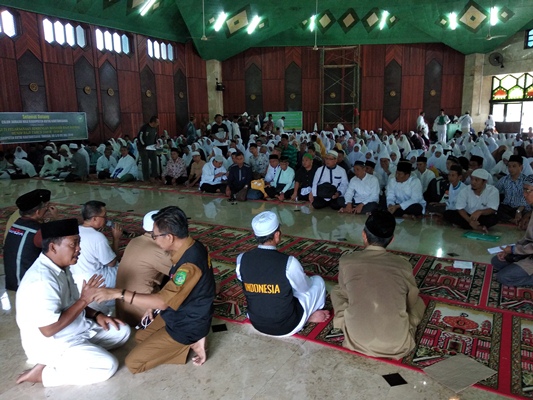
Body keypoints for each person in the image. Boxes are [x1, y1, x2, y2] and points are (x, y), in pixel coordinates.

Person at [93, 206, 215, 372]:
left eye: (155, 236)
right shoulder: (192, 246)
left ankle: (192, 342)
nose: (154, 239)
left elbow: (163, 302)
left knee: (133, 363)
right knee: (140, 337)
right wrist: (151, 304)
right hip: (178, 311)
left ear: (169, 237)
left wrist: (118, 293)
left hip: (188, 324)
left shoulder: (188, 266)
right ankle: (189, 342)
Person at [15, 219, 130, 387]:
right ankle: (44, 373)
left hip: (75, 330)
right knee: (107, 366)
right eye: (73, 244)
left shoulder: (62, 267)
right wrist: (85, 300)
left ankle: (80, 354)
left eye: (78, 243)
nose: (78, 249)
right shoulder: (41, 281)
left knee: (122, 331)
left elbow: (73, 303)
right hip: (54, 344)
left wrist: (97, 315)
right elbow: (48, 330)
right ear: (53, 247)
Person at [330, 211, 426, 359]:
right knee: (418, 302)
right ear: (391, 240)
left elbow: (345, 292)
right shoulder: (403, 264)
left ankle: (346, 320)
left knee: (336, 291)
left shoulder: (347, 261)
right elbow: (410, 300)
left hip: (357, 339)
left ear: (364, 235)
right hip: (397, 344)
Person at [236, 211, 329, 336]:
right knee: (318, 281)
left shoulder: (242, 259)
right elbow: (304, 288)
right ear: (277, 235)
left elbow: (243, 279)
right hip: (286, 326)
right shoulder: (289, 262)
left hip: (257, 322)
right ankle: (308, 316)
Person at [115, 211, 173, 326]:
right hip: (143, 311)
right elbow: (186, 271)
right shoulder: (158, 251)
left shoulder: (134, 241)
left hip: (123, 310)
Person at [70, 201, 122, 313]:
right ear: (94, 219)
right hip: (95, 281)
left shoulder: (74, 230)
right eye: (104, 216)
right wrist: (116, 239)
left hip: (75, 280)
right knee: (124, 269)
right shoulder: (97, 237)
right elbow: (112, 263)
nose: (106, 219)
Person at [4, 189, 58, 290]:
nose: (47, 211)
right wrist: (56, 219)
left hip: (12, 282)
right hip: (26, 285)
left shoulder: (16, 223)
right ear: (38, 212)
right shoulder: (37, 231)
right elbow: (59, 246)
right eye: (45, 208)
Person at [492, 175, 533, 286]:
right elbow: (528, 239)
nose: (524, 194)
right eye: (524, 190)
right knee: (496, 261)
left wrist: (514, 250)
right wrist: (511, 250)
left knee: (504, 277)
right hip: (528, 253)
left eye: (528, 190)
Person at [495, 155, 530, 224]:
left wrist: (518, 211)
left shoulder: (526, 181)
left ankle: (513, 219)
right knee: (496, 209)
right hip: (508, 208)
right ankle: (512, 220)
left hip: (522, 208)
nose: (511, 169)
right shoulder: (504, 179)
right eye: (509, 166)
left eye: (514, 166)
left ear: (521, 167)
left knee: (528, 213)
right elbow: (495, 191)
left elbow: (527, 199)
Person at [137, 116, 159, 181]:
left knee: (154, 161)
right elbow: (140, 137)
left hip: (152, 147)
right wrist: (144, 145)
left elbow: (155, 137)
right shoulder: (144, 127)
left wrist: (156, 143)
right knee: (145, 163)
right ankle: (146, 178)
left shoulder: (155, 129)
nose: (158, 124)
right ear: (153, 122)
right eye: (157, 122)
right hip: (143, 148)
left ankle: (154, 176)